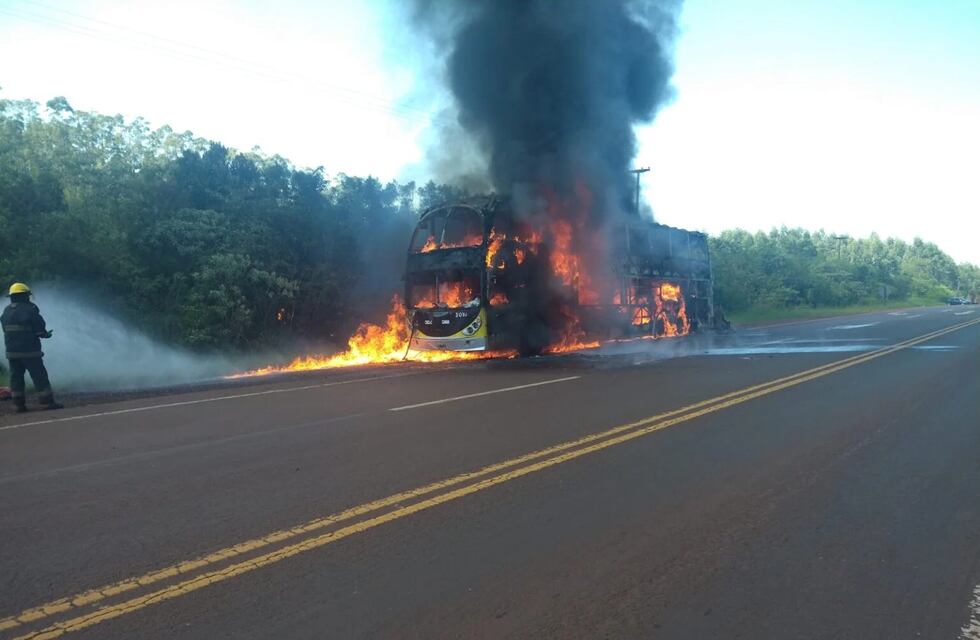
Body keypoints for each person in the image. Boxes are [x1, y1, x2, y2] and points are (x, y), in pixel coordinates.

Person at [1, 283, 63, 412]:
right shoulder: (30, 309)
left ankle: (18, 405)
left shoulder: (6, 311)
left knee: (16, 378)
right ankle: (47, 402)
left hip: (12, 352)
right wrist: (46, 334)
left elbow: (5, 330)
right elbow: (40, 330)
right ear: (24, 296)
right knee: (39, 376)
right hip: (30, 351)